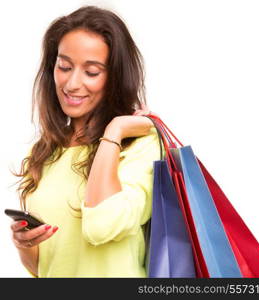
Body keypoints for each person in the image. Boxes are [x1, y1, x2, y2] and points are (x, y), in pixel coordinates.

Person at [10, 5, 161, 278]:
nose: (71, 84)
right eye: (64, 66)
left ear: (114, 77)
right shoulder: (45, 151)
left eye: (91, 72)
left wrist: (114, 131)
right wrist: (25, 245)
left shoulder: (140, 144)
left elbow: (102, 226)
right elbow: (46, 268)